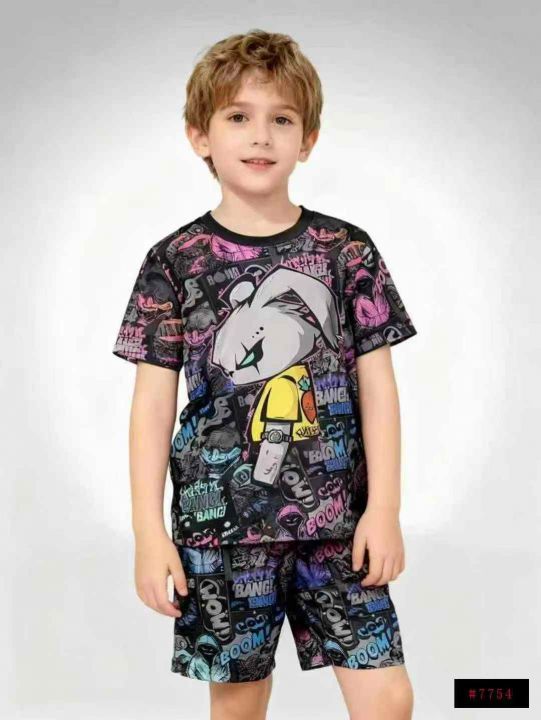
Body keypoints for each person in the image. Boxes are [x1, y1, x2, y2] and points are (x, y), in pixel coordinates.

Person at [112, 28, 418, 720]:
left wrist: (385, 509)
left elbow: (378, 388)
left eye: (281, 119)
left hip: (338, 525)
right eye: (238, 116)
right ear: (199, 135)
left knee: (386, 696)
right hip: (219, 528)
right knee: (239, 704)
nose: (260, 136)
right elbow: (152, 406)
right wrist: (147, 533)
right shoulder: (173, 261)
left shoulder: (346, 251)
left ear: (307, 139)